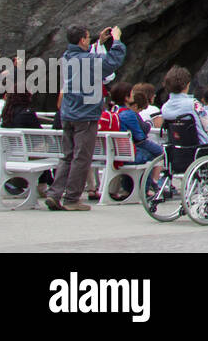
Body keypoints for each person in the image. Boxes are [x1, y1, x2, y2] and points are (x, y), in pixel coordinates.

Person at [46, 25, 127, 211]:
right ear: (82, 40)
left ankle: (54, 194)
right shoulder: (89, 60)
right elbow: (112, 62)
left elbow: (85, 59)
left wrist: (99, 42)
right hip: (86, 115)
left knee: (67, 156)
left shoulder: (66, 58)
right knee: (82, 157)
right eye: (87, 38)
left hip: (67, 114)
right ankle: (72, 198)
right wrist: (117, 40)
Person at [118, 87, 163, 165]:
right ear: (127, 97)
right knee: (157, 154)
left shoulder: (114, 111)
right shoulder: (129, 114)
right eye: (132, 94)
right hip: (128, 155)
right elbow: (140, 138)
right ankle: (151, 177)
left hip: (116, 153)